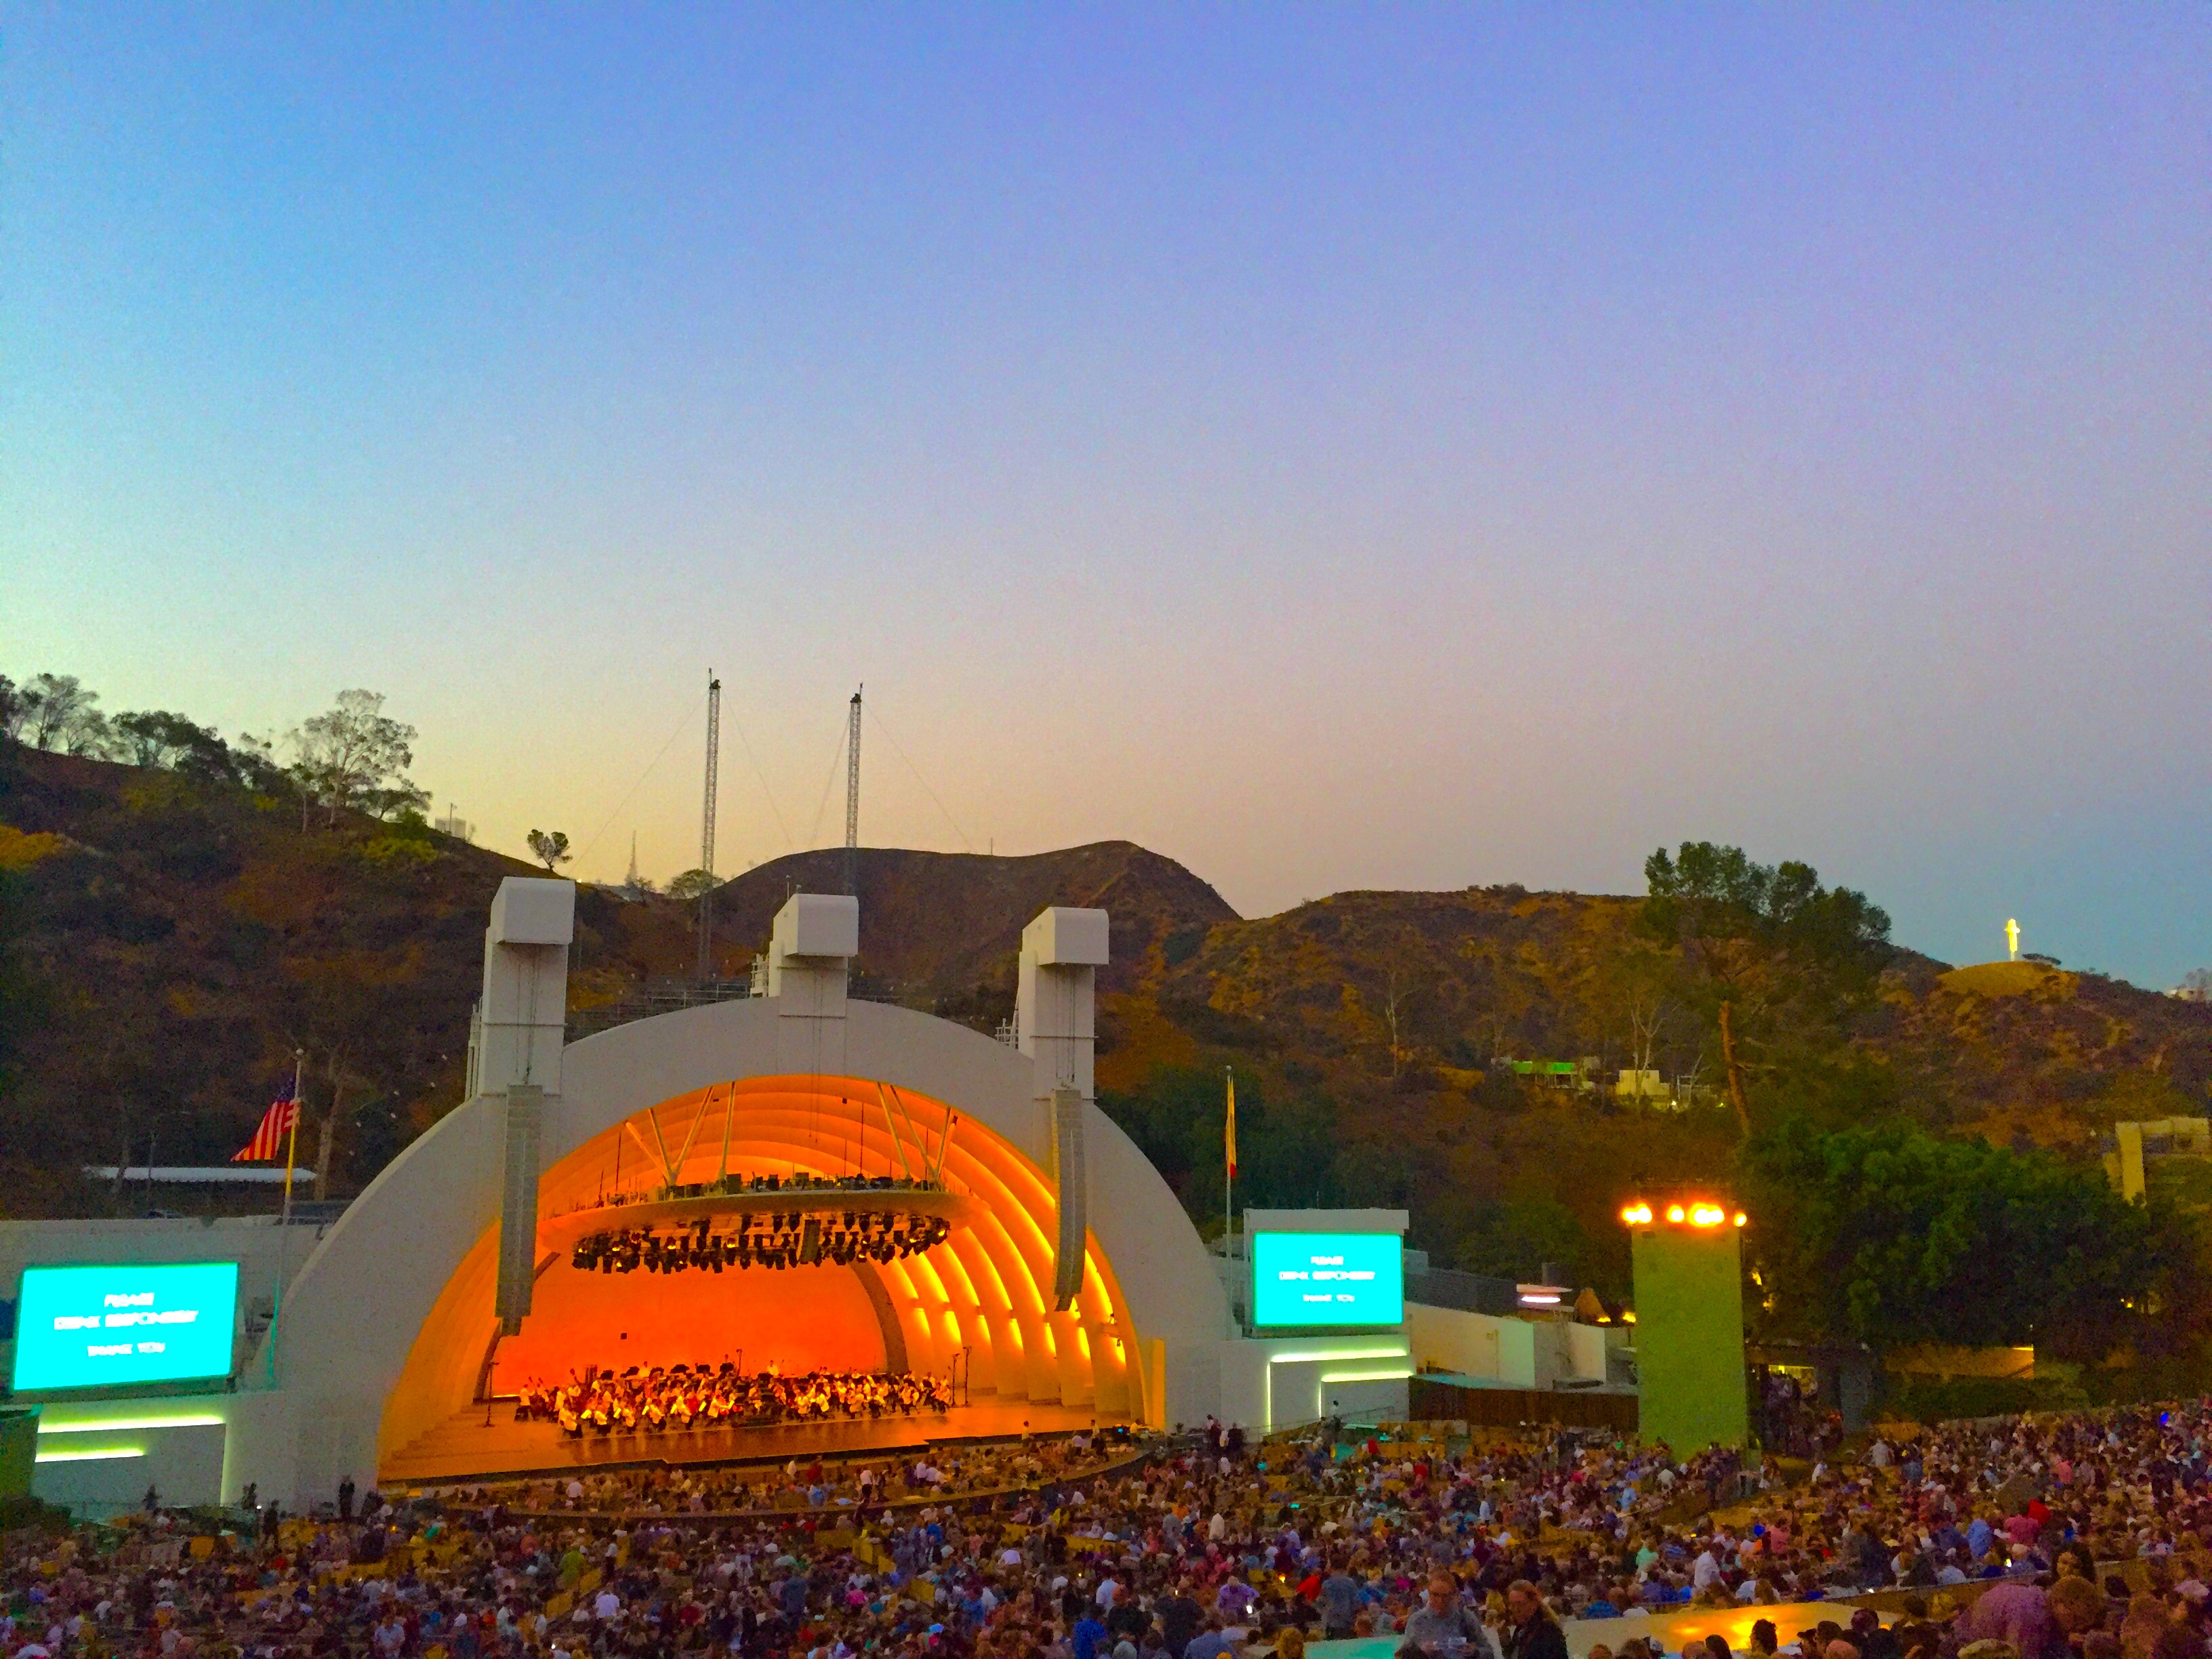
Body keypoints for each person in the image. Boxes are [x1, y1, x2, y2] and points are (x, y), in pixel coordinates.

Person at [1403, 1574, 1495, 1659]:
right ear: (1429, 1593)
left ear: (1454, 1594)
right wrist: (1421, 1653)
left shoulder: (1466, 1618)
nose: (1440, 1601)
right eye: (1435, 1595)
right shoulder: (1417, 1621)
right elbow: (1404, 1655)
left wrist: (1475, 1653)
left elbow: (1489, 1652)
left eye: (1445, 1596)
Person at [1500, 1582, 1566, 1659]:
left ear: (1534, 1604)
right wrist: (1505, 1642)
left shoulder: (1547, 1630)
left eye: (1520, 1604)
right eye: (1512, 1605)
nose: (1516, 1609)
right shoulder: (1520, 1630)